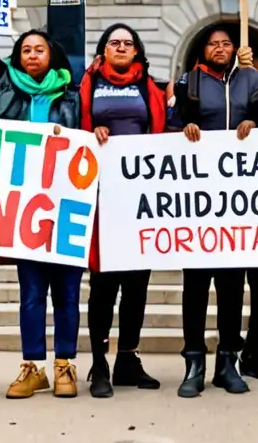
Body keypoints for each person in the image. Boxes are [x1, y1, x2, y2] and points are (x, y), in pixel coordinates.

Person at [0, 30, 82, 399]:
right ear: (16, 57)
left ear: (52, 55)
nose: (32, 55)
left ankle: (65, 365)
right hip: (23, 210)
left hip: (67, 206)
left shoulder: (74, 95)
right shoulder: (4, 91)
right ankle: (32, 367)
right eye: (25, 50)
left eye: (39, 49)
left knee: (68, 294)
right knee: (32, 294)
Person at [170, 26, 258, 397]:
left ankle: (228, 360)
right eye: (213, 44)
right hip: (197, 199)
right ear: (203, 49)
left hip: (237, 198)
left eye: (226, 43)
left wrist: (255, 123)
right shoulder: (189, 81)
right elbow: (171, 122)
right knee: (195, 284)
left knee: (232, 284)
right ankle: (194, 361)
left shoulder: (251, 79)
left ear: (234, 49)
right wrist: (185, 127)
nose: (220, 48)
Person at [81, 24, 168, 398]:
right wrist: (91, 134)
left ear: (137, 51)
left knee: (136, 285)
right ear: (103, 50)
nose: (121, 47)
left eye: (127, 43)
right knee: (102, 284)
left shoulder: (149, 86)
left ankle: (128, 358)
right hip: (100, 196)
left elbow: (162, 128)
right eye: (114, 42)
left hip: (140, 197)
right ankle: (99, 362)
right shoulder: (86, 84)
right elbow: (71, 127)